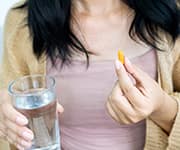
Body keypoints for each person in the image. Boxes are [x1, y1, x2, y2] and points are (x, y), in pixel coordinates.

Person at [0, 0, 180, 150]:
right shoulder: (21, 24)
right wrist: (9, 124)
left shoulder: (172, 16)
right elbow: (10, 132)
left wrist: (161, 107)